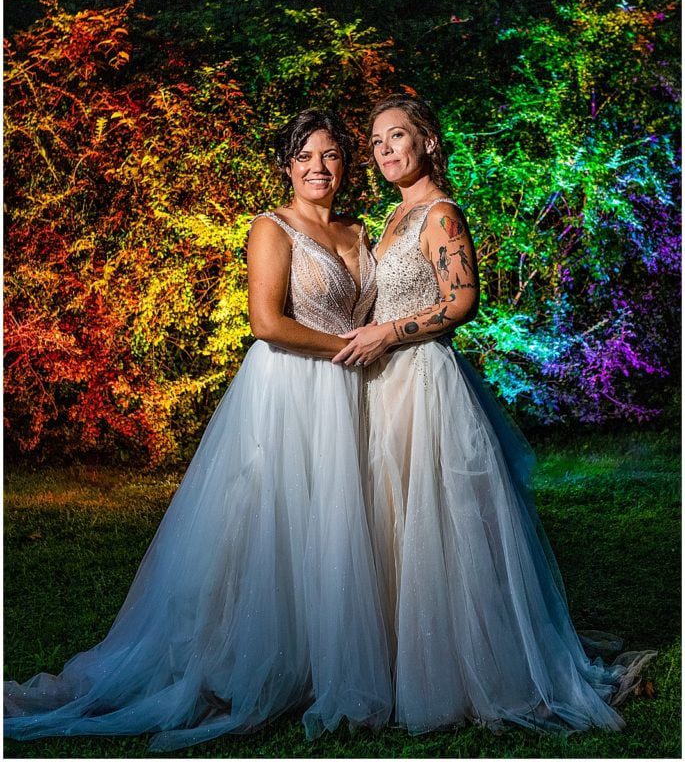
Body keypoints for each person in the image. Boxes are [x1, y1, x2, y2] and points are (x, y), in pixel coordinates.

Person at [4, 109, 392, 752]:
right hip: (292, 387)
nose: (319, 168)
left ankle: (336, 650)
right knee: (277, 522)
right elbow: (266, 323)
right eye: (305, 156)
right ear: (286, 165)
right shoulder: (272, 229)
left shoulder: (359, 230)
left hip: (351, 388)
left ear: (346, 165)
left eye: (330, 155)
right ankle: (261, 657)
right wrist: (346, 350)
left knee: (342, 520)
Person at [334, 92, 656, 735]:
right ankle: (402, 656)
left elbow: (460, 303)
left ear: (426, 140)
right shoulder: (391, 218)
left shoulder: (440, 214)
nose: (384, 151)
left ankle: (464, 663)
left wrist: (386, 334)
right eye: (375, 143)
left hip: (424, 381)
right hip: (383, 386)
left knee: (439, 520)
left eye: (397, 137)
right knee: (391, 516)